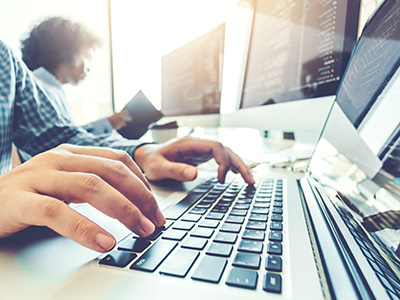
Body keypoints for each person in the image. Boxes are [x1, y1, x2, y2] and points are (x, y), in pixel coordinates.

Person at [0, 40, 254, 253]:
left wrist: (143, 152)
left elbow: (54, 137)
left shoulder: (5, 60)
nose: (88, 66)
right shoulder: (43, 82)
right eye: (86, 55)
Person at [20, 16, 131, 136]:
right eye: (87, 56)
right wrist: (107, 124)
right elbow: (63, 141)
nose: (88, 67)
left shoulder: (49, 88)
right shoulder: (40, 90)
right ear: (68, 52)